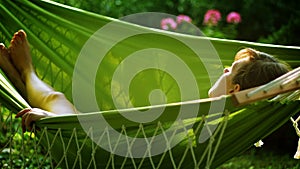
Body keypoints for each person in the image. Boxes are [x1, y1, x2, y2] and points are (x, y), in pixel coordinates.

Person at [0, 30, 290, 132]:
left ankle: (26, 72)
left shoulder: (203, 112)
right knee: (59, 102)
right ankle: (17, 75)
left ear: (236, 90)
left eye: (230, 71)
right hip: (102, 135)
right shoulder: (213, 120)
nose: (223, 70)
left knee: (56, 100)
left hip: (90, 142)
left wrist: (48, 118)